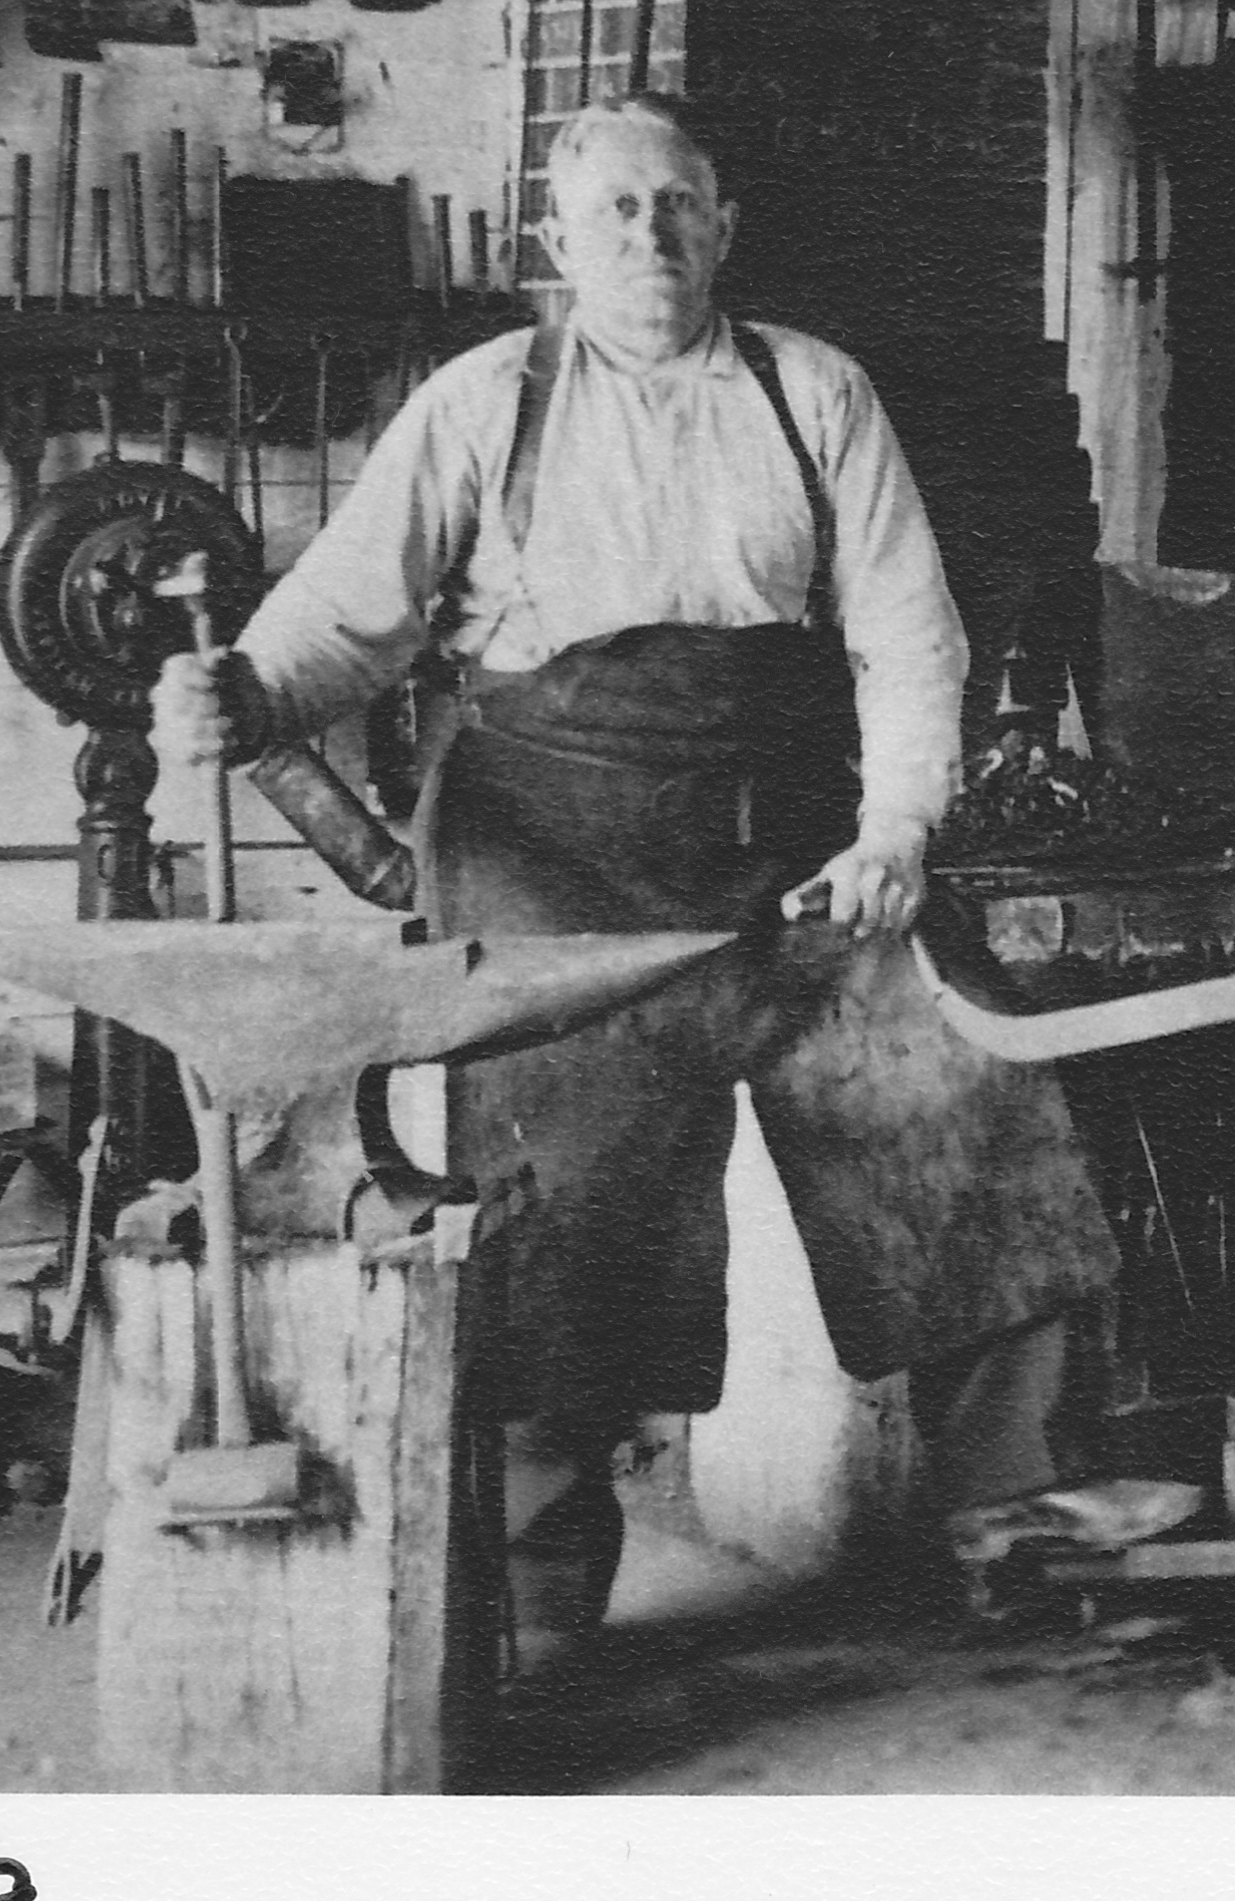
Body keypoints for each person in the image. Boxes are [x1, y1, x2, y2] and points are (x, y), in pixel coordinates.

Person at [152, 93, 1130, 1651]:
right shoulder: (481, 405)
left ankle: (1017, 1534)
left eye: (678, 204)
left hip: (803, 864)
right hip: (555, 870)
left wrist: (898, 832)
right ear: (557, 240)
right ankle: (543, 1605)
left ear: (725, 224)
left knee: (973, 1134)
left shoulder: (816, 392)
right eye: (615, 211)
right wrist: (246, 695)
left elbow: (903, 633)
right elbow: (347, 616)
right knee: (561, 1248)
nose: (649, 236)